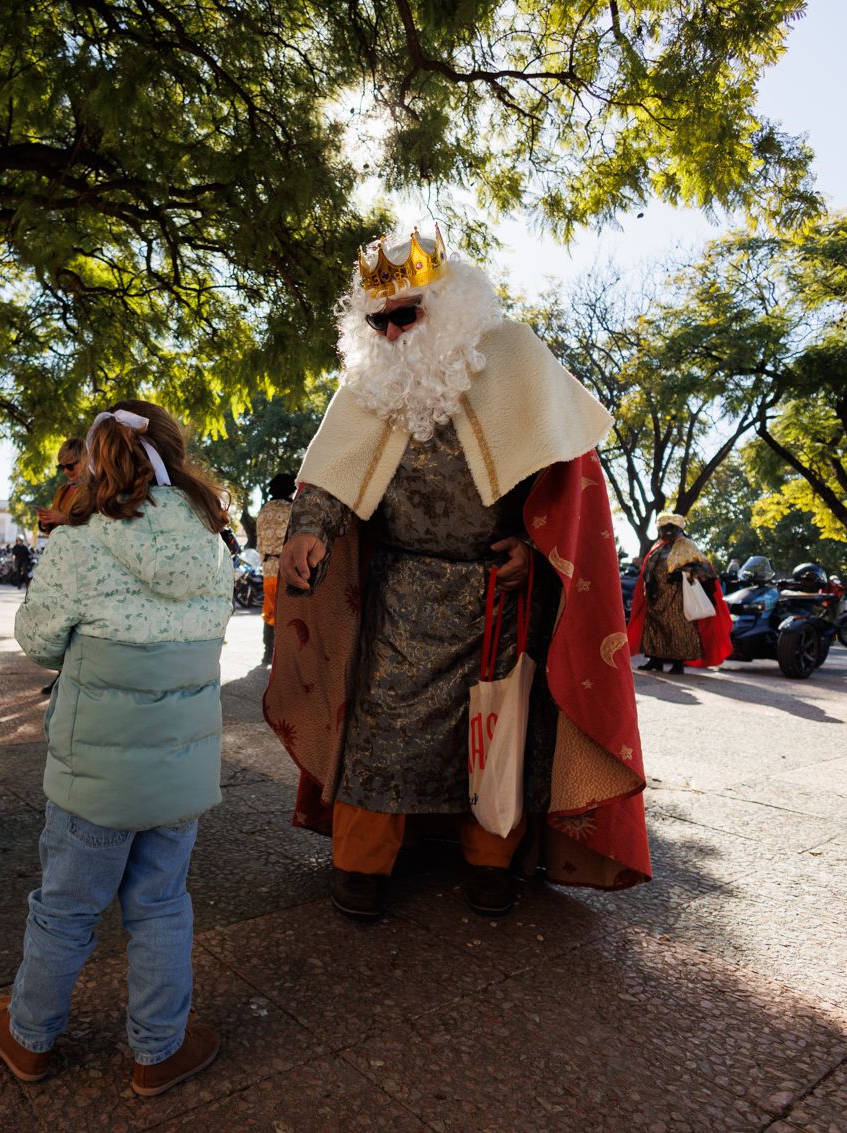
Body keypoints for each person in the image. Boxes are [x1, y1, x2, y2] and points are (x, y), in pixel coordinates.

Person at [264, 226, 650, 921]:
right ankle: (359, 863)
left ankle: (490, 863)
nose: (390, 332)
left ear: (446, 306)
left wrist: (532, 552)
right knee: (382, 726)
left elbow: (566, 481)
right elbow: (333, 475)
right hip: (399, 591)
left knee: (495, 730)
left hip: (495, 593)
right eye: (375, 320)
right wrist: (309, 531)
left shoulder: (517, 358)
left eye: (405, 314)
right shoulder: (370, 380)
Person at [0, 399, 233, 1097]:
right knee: (161, 903)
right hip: (179, 770)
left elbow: (37, 642)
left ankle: (30, 1037)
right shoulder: (215, 546)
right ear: (175, 455)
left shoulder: (78, 542)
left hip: (93, 770)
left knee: (65, 905)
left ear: (95, 462)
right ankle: (158, 1050)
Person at [626, 513, 730, 674]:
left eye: (671, 527)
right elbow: (647, 570)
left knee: (679, 628)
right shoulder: (657, 547)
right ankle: (655, 659)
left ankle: (678, 663)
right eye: (664, 528)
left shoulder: (687, 545)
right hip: (656, 596)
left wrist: (683, 572)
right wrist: (648, 585)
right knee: (654, 627)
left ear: (679, 529)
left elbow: (705, 569)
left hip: (678, 596)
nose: (667, 530)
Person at [254, 473, 296, 664]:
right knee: (289, 611)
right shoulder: (292, 509)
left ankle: (267, 652)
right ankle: (285, 655)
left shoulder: (264, 510)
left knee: (269, 610)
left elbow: (259, 542)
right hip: (288, 569)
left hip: (269, 569)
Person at [37, 438, 86, 534]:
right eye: (62, 467)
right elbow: (53, 530)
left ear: (85, 460)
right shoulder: (62, 490)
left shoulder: (95, 490)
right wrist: (46, 522)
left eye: (70, 466)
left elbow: (94, 528)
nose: (65, 471)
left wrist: (63, 518)